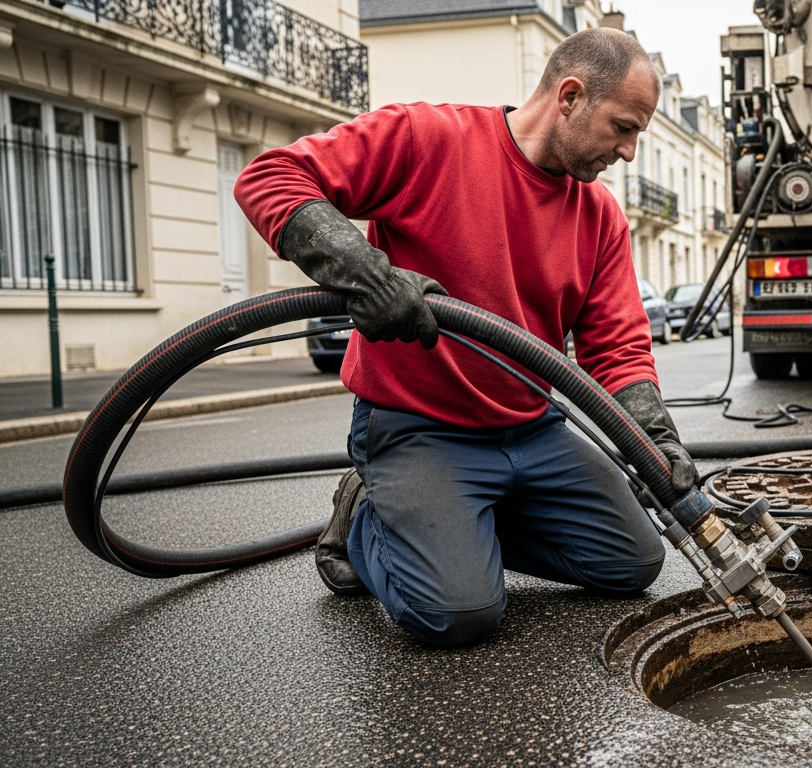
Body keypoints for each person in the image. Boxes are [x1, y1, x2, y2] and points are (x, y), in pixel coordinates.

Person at [235, 28, 697, 648]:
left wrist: (654, 440)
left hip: (532, 429)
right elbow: (271, 177)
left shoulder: (599, 215)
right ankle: (369, 517)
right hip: (420, 425)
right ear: (569, 96)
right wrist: (367, 273)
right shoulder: (428, 139)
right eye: (623, 127)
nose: (630, 150)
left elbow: (615, 347)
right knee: (457, 617)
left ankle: (455, 526)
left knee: (631, 564)